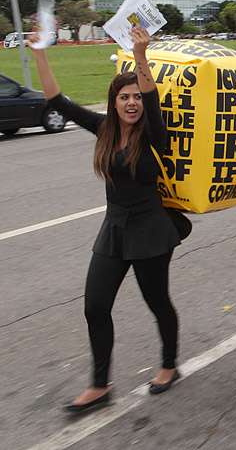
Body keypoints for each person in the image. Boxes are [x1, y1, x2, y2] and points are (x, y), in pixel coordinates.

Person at [28, 28, 184, 413]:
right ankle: (100, 385)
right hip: (114, 230)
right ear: (114, 102)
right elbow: (57, 101)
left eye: (134, 97)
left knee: (158, 303)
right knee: (95, 307)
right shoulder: (102, 129)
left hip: (150, 230)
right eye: (123, 96)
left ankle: (168, 364)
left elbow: (152, 97)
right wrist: (40, 54)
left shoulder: (153, 135)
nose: (131, 102)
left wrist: (140, 54)